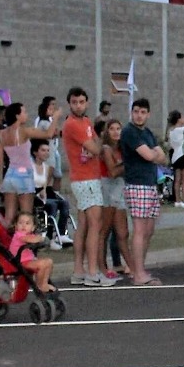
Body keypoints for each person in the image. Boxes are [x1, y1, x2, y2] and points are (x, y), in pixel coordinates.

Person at [63, 87, 114, 287]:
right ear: (69, 103)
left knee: (84, 224)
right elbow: (95, 147)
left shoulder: (86, 122)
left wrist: (98, 142)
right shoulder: (72, 124)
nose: (78, 105)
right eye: (74, 102)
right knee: (95, 224)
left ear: (87, 103)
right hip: (84, 179)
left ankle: (79, 270)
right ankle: (92, 272)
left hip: (89, 177)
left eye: (81, 101)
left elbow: (94, 142)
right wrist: (101, 143)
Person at [118, 98, 169, 285]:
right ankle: (138, 274)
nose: (139, 115)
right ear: (131, 112)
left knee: (148, 229)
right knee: (139, 229)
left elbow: (162, 156)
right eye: (136, 111)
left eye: (143, 112)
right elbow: (148, 155)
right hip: (137, 184)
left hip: (150, 183)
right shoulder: (129, 132)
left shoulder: (146, 133)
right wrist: (153, 155)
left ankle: (139, 268)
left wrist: (153, 155)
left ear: (148, 114)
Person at [0, 101, 62, 228]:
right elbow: (48, 134)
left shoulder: (2, 134)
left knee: (9, 216)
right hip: (24, 175)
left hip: (10, 175)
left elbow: (0, 160)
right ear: (17, 116)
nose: (26, 115)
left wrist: (1, 181)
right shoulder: (24, 131)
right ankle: (24, 245)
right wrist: (55, 118)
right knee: (26, 214)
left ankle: (5, 243)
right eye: (24, 112)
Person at [98, 119, 131, 280]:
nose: (116, 132)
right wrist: (130, 163)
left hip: (120, 189)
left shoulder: (122, 149)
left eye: (119, 128)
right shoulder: (106, 149)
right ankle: (102, 267)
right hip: (108, 189)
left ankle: (132, 266)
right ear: (107, 131)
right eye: (112, 129)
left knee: (122, 232)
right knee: (104, 230)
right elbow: (112, 172)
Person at [31, 140, 72, 248]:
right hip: (33, 196)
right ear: (35, 152)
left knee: (64, 203)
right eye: (43, 150)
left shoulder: (46, 168)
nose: (46, 153)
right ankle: (50, 237)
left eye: (48, 150)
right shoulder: (30, 167)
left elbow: (44, 186)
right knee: (52, 205)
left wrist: (44, 193)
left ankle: (61, 233)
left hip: (42, 194)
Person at [8, 212, 57, 294]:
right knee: (42, 264)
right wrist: (41, 238)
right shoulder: (19, 235)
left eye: (27, 223)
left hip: (27, 260)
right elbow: (31, 239)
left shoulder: (29, 234)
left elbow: (33, 238)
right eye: (20, 223)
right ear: (16, 225)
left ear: (33, 227)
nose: (23, 225)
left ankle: (44, 283)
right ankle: (40, 285)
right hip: (20, 262)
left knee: (49, 262)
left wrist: (39, 238)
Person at [35, 96, 64, 195]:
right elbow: (52, 133)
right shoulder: (43, 123)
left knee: (55, 175)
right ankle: (42, 194)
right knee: (47, 176)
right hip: (47, 152)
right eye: (50, 108)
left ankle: (53, 193)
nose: (53, 110)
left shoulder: (49, 121)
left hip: (52, 150)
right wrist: (56, 119)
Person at [167, 110, 184, 207]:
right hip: (182, 154)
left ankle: (177, 200)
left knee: (177, 179)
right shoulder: (183, 129)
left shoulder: (171, 131)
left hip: (175, 156)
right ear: (178, 119)